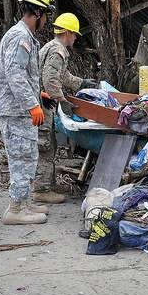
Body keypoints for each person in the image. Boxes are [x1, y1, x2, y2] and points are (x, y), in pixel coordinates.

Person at [0, 0, 55, 225]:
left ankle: (25, 202)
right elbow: (14, 74)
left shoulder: (24, 36)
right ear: (37, 13)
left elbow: (21, 75)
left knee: (28, 155)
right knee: (22, 157)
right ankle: (15, 209)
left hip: (18, 108)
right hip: (16, 110)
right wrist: (32, 105)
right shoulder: (21, 36)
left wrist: (37, 94)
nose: (46, 20)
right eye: (45, 15)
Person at [36, 13, 97, 203]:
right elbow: (50, 81)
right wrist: (62, 101)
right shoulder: (57, 51)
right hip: (42, 103)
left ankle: (47, 183)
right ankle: (41, 190)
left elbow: (64, 76)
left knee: (50, 142)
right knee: (45, 145)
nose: (76, 38)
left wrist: (81, 84)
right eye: (75, 34)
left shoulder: (55, 48)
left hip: (41, 101)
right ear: (68, 32)